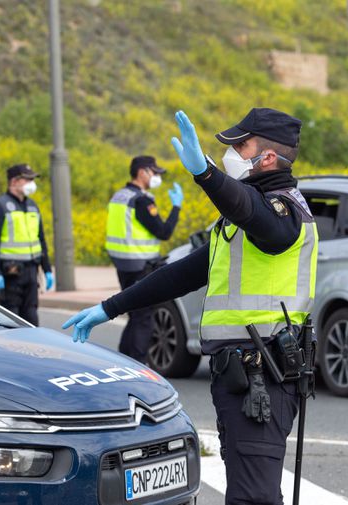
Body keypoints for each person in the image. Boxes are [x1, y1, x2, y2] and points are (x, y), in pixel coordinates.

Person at [64, 107, 317, 505]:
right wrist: (109, 308)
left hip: (261, 378)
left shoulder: (284, 213)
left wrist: (206, 174)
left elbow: (253, 212)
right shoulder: (240, 223)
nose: (231, 152)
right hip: (241, 378)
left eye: (240, 145)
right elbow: (179, 275)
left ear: (267, 158)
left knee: (253, 498)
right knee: (251, 493)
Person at [105, 155, 184, 362]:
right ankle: (138, 364)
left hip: (124, 265)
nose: (157, 176)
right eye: (154, 172)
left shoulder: (119, 196)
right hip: (141, 266)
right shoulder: (141, 200)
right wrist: (176, 208)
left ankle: (123, 360)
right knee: (143, 319)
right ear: (142, 172)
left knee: (134, 314)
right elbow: (164, 232)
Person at [0, 164, 52, 325]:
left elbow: (40, 239)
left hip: (31, 272)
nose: (32, 183)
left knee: (31, 319)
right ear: (14, 182)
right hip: (10, 273)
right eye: (28, 179)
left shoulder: (32, 206)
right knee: (12, 322)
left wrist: (47, 269)